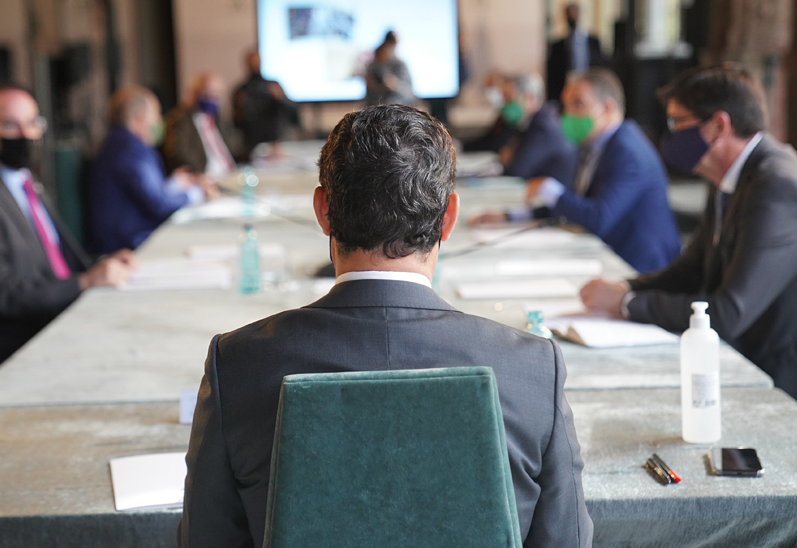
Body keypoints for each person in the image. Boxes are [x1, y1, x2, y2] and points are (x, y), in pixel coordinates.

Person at [178, 105, 593, 547]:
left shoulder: (238, 363)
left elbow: (205, 539)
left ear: (322, 211)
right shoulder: (532, 370)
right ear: (448, 218)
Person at [580, 64, 797, 442]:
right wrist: (625, 287)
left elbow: (728, 313)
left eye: (679, 123)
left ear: (718, 126)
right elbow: (693, 270)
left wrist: (629, 303)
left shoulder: (781, 188)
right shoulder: (732, 176)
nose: (670, 134)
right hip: (759, 370)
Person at [0, 83, 135, 398]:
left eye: (33, 124)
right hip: (16, 348)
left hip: (57, 323)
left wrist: (100, 266)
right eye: (10, 125)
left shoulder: (23, 181)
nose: (25, 135)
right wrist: (84, 282)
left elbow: (57, 258)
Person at [473, 69, 681, 274]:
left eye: (578, 104)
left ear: (607, 108)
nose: (568, 114)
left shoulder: (628, 152)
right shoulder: (594, 144)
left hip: (641, 266)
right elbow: (576, 206)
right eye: (566, 105)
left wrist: (548, 188)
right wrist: (511, 216)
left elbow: (598, 217)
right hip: (607, 255)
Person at [87, 86, 216, 255]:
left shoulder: (121, 142)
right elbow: (159, 205)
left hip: (127, 237)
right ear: (140, 118)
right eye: (156, 115)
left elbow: (149, 193)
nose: (159, 122)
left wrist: (175, 185)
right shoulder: (130, 149)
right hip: (127, 244)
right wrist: (197, 193)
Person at [162, 72, 236, 181]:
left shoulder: (216, 118)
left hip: (230, 174)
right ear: (195, 92)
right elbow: (178, 155)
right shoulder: (179, 120)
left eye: (217, 92)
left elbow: (234, 145)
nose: (214, 97)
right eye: (208, 92)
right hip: (206, 178)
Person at [231, 50, 298, 161]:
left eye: (257, 61)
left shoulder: (273, 85)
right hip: (251, 145)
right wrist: (240, 107)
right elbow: (236, 123)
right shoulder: (241, 91)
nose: (255, 64)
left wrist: (279, 98)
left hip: (276, 143)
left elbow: (293, 112)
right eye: (252, 62)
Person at [546, 3, 604, 102]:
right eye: (569, 14)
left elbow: (600, 65)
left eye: (575, 13)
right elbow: (553, 74)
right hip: (566, 86)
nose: (572, 16)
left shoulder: (593, 42)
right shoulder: (558, 45)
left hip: (590, 84)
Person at [364, 31, 416, 106]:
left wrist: (394, 85)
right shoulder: (373, 66)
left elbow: (410, 94)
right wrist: (374, 86)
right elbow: (368, 96)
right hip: (375, 108)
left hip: (398, 109)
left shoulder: (400, 65)